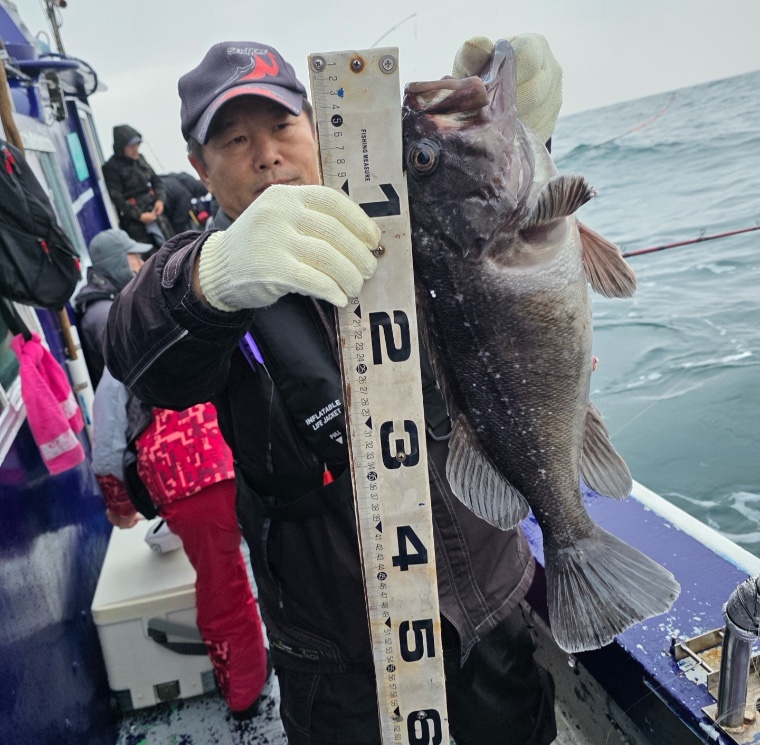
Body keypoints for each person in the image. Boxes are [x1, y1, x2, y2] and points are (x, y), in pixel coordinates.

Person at [105, 36, 562, 745]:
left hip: (488, 597)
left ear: (319, 127)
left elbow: (509, 228)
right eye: (234, 139)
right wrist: (213, 278)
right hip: (335, 654)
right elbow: (137, 350)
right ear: (200, 167)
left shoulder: (408, 215)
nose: (267, 155)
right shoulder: (210, 279)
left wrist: (524, 136)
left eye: (282, 125)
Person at [91, 368, 270, 719]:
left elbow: (107, 451)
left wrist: (122, 508)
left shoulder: (119, 359)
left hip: (189, 477)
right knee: (286, 564)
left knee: (223, 589)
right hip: (250, 450)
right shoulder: (204, 330)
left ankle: (244, 692)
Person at [74, 228, 152, 388]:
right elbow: (136, 373)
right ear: (118, 263)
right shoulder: (105, 315)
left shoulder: (114, 301)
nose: (142, 263)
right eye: (135, 257)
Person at [102, 125, 173, 249]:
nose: (135, 149)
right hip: (135, 223)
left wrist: (160, 200)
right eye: (131, 146)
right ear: (121, 147)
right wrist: (139, 216)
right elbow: (117, 198)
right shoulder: (111, 168)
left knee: (172, 245)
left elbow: (156, 180)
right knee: (151, 254)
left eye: (137, 144)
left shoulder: (140, 158)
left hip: (155, 212)